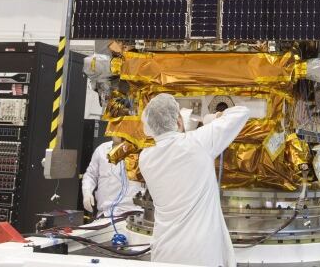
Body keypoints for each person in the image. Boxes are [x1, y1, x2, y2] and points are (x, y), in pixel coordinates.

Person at [139, 93, 250, 267]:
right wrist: (211, 118)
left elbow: (174, 147)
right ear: (178, 122)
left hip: (164, 253)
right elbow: (241, 112)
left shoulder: (145, 158)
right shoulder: (198, 143)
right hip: (200, 255)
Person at [82, 136, 145, 217]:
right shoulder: (102, 150)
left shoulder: (142, 151)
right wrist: (87, 192)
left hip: (133, 211)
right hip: (105, 212)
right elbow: (90, 175)